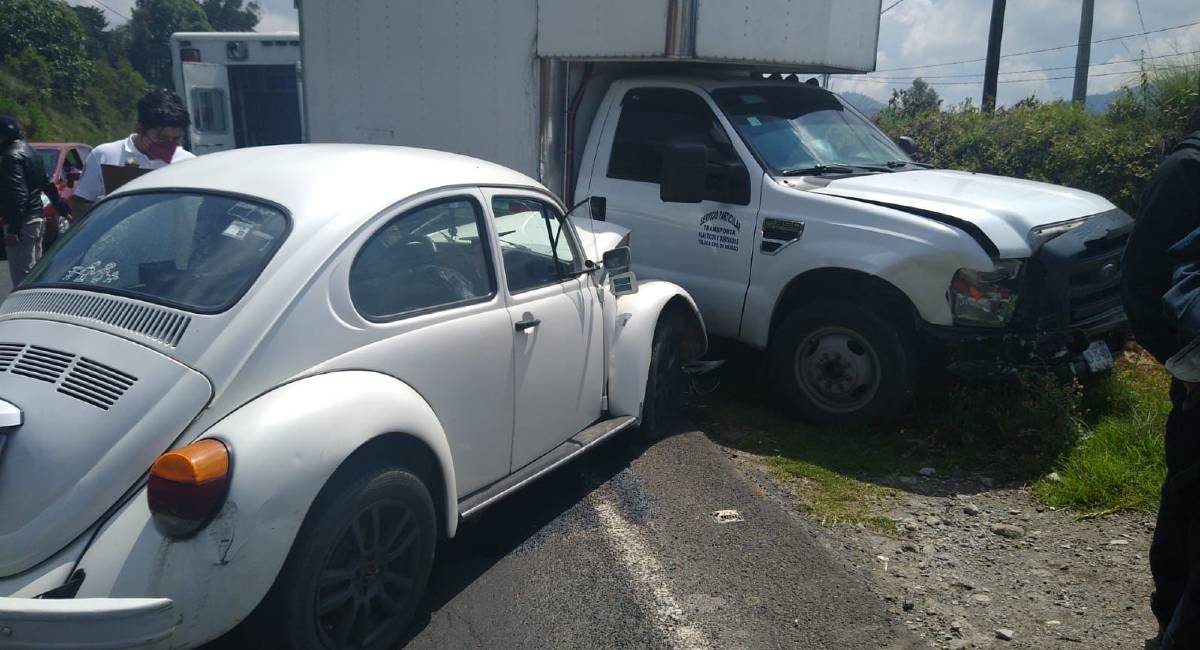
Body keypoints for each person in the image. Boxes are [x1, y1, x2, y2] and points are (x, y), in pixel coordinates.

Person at [1121, 127, 1200, 650]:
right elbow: (1141, 280)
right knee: (1186, 511)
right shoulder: (1187, 172)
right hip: (1196, 391)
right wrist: (1184, 364)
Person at [70, 88, 195, 218]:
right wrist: (110, 208)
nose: (169, 144)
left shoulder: (190, 163)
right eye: (162, 138)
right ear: (140, 129)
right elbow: (79, 207)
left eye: (176, 138)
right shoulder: (104, 155)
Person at [0, 115, 62, 283]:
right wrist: (62, 207)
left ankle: (26, 308)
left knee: (23, 277)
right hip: (37, 219)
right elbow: (47, 185)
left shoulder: (9, 157)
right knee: (35, 272)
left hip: (23, 223)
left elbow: (18, 194)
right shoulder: (32, 152)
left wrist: (14, 228)